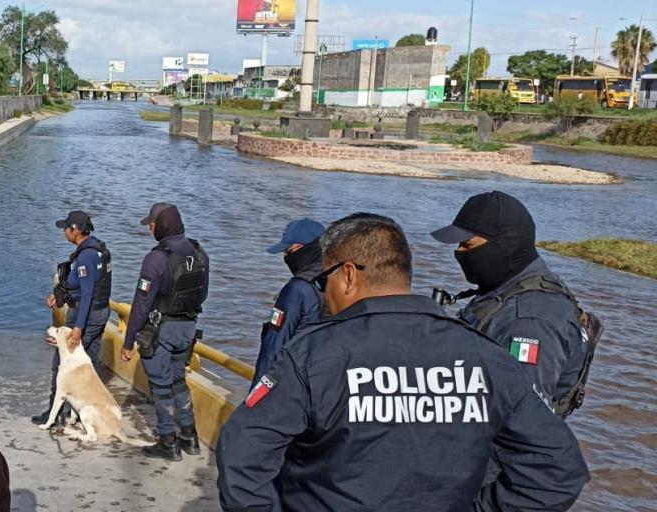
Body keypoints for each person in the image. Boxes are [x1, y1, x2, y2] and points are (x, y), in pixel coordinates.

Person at [215, 213, 589, 511]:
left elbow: (242, 453)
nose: (322, 293)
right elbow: (558, 470)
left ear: (347, 274)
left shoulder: (313, 355)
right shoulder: (486, 359)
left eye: (323, 280)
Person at [431, 190, 598, 418]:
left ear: (503, 245)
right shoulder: (507, 287)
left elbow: (520, 418)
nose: (459, 252)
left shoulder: (530, 322)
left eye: (467, 245)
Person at [120, 203, 208, 461]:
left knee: (161, 387)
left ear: (163, 225)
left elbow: (141, 304)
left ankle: (168, 442)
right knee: (179, 381)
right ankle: (190, 438)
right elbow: (203, 293)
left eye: (152, 223)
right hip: (188, 328)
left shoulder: (156, 258)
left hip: (161, 330)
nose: (150, 227)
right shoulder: (200, 252)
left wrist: (128, 342)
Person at [31, 210, 113, 427]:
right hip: (101, 312)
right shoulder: (98, 250)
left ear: (75, 230)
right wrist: (58, 295)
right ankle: (84, 411)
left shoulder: (85, 257)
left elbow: (86, 294)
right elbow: (83, 286)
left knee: (62, 362)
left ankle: (56, 413)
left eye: (66, 228)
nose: (64, 232)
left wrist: (77, 328)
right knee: (90, 364)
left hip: (86, 315)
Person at [252, 218, 324, 385]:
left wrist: (255, 398)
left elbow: (273, 349)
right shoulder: (343, 283)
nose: (286, 257)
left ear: (307, 249)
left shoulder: (297, 290)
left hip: (292, 388)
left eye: (289, 251)